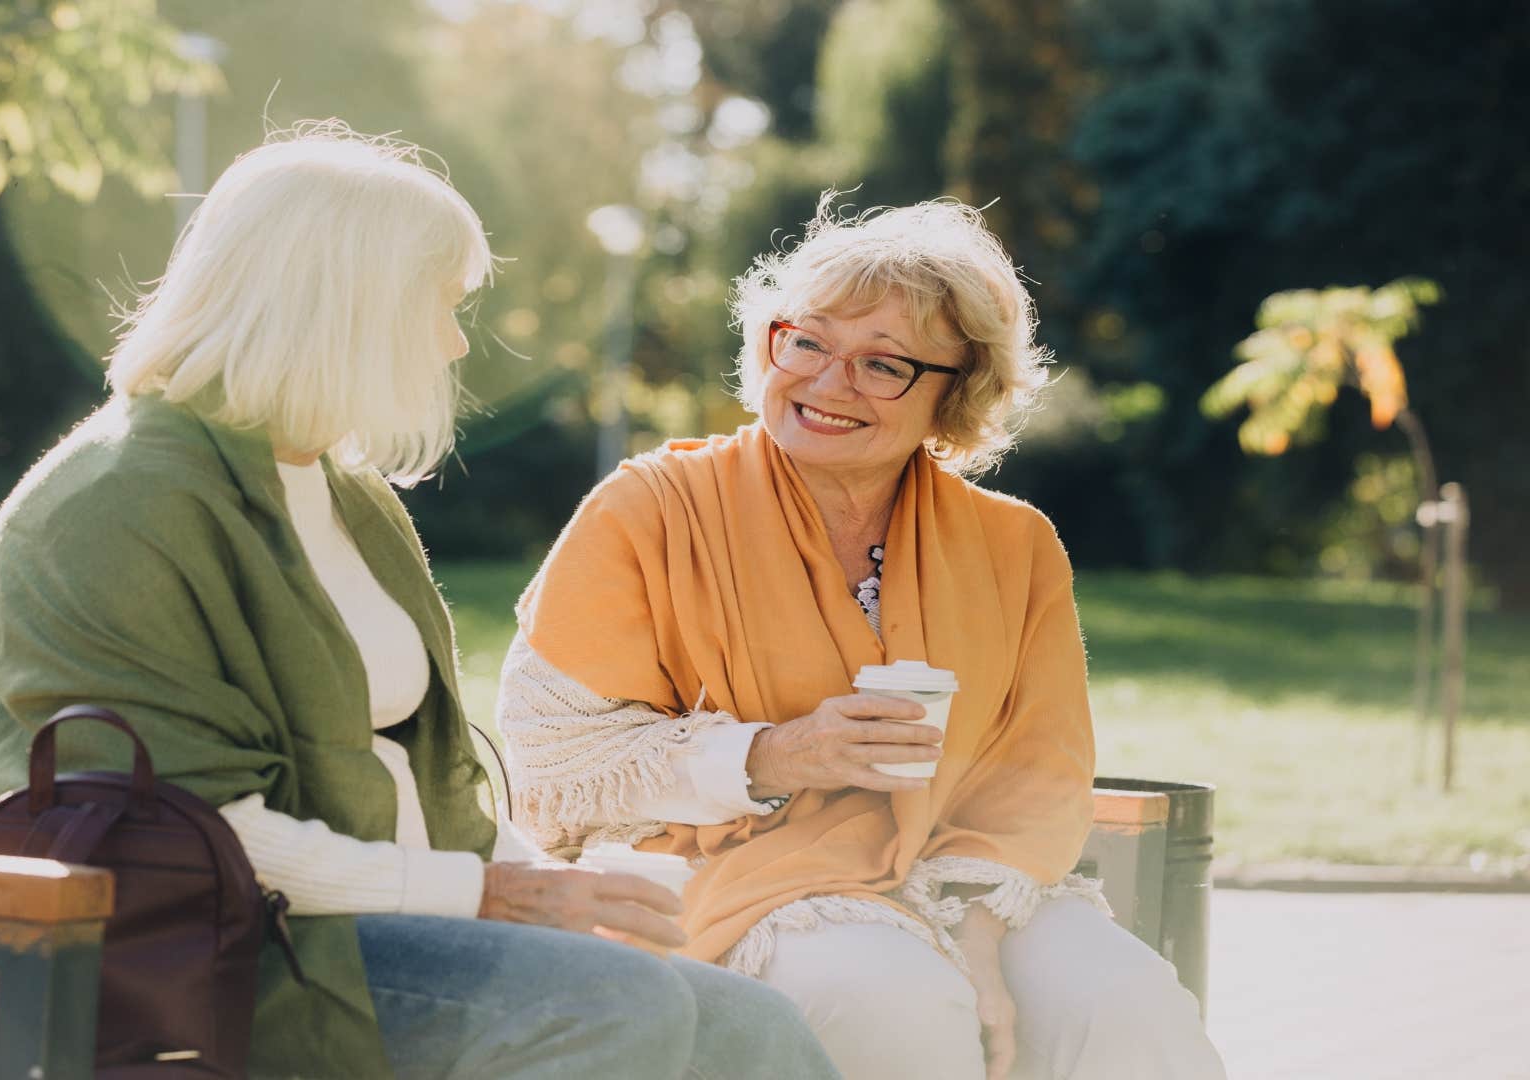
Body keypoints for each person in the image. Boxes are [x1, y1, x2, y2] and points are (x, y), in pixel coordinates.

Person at [0, 123, 839, 1079]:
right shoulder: (112, 506)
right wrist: (491, 896)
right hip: (223, 957)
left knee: (756, 1029)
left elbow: (422, 784)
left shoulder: (345, 494)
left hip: (391, 926)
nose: (456, 342)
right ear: (344, 304)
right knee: (609, 1004)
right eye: (440, 305)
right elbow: (188, 835)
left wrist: (549, 884)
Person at [499, 196, 1227, 1079]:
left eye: (882, 364)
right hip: (728, 873)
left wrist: (978, 937)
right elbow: (555, 760)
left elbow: (1036, 771)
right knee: (887, 997)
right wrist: (773, 756)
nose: (828, 383)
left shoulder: (1015, 544)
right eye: (807, 342)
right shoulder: (648, 509)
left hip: (959, 868)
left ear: (957, 392)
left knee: (1125, 1001)